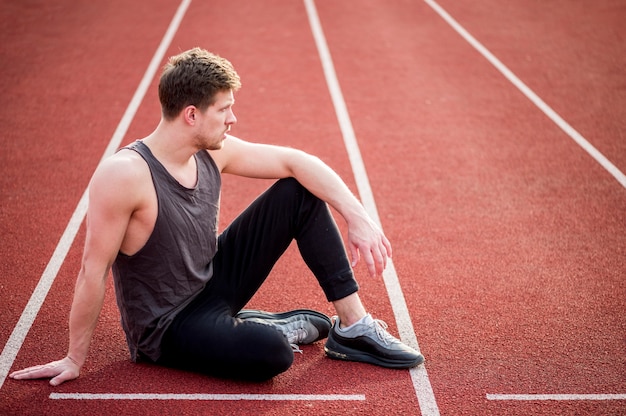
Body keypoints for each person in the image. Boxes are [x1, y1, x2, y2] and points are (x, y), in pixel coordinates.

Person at [10, 47, 424, 384]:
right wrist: (73, 358)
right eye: (224, 109)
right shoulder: (125, 175)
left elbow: (298, 161)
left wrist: (357, 216)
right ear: (192, 114)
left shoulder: (212, 151)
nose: (233, 118)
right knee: (273, 355)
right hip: (169, 326)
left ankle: (352, 328)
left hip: (211, 281)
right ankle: (260, 330)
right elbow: (91, 271)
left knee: (299, 192)